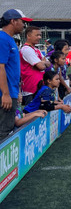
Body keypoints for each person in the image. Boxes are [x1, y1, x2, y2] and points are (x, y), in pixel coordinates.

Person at [0, 9, 30, 141]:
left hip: (10, 92)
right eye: (22, 22)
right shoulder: (2, 39)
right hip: (4, 94)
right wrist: (5, 94)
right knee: (4, 132)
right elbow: (0, 68)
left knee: (7, 128)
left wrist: (14, 92)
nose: (24, 25)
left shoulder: (9, 39)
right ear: (13, 21)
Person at [20, 25, 50, 106]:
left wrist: (41, 63)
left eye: (40, 35)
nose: (39, 37)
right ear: (28, 36)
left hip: (39, 86)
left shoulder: (36, 49)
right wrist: (42, 63)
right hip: (30, 88)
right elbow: (41, 66)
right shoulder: (26, 49)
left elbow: (48, 63)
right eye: (37, 35)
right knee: (31, 114)